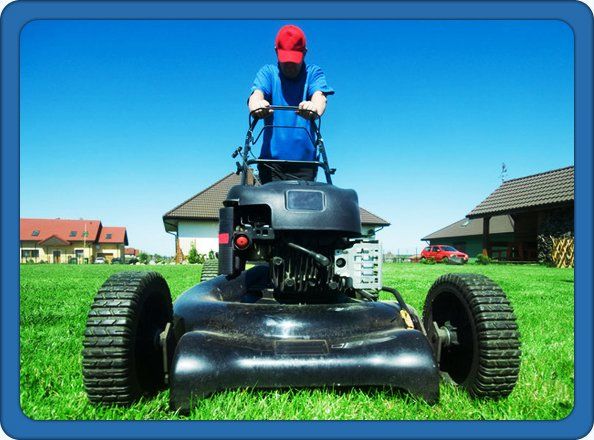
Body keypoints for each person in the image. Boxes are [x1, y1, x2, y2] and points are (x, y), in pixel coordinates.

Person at [248, 24, 334, 183]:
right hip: (270, 165)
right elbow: (256, 96)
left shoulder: (313, 74)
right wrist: (257, 105)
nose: (289, 66)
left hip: (305, 166)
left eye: (294, 61)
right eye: (285, 60)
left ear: (305, 53)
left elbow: (320, 97)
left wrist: (314, 107)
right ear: (276, 52)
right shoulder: (268, 73)